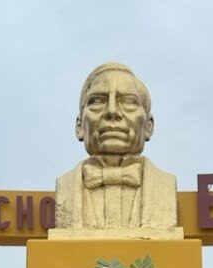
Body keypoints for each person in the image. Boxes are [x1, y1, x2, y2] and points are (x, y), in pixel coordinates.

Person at [54, 62, 178, 231]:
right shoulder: (65, 187)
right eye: (98, 101)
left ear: (148, 127)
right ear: (79, 126)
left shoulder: (164, 187)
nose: (112, 111)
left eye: (128, 101)